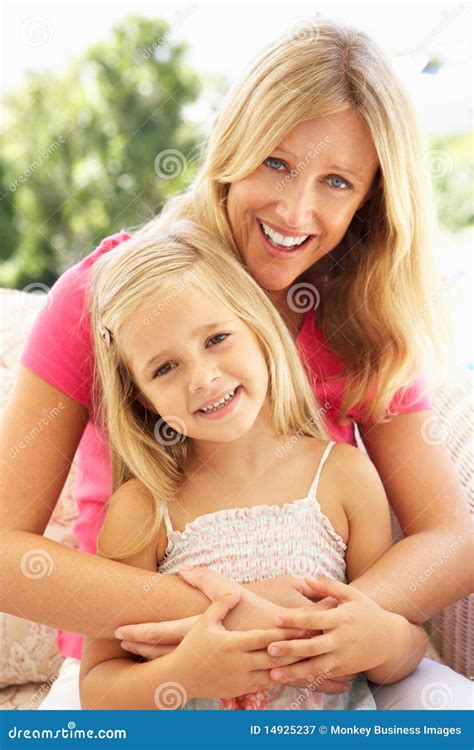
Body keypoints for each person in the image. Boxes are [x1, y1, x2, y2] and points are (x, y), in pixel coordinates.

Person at [2, 19, 471, 710]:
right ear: (232, 147)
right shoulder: (108, 294)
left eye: (337, 181)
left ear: (371, 198)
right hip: (148, 665)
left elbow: (452, 539)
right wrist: (224, 616)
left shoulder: (359, 311)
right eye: (276, 163)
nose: (295, 209)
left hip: (330, 664)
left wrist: (312, 630)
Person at [79, 219, 428, 710]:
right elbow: (98, 690)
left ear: (259, 326)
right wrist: (184, 673)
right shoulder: (142, 511)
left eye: (216, 338)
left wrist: (379, 640)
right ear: (144, 398)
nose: (202, 378)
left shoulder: (344, 476)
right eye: (164, 367)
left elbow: (408, 645)